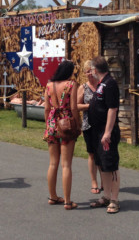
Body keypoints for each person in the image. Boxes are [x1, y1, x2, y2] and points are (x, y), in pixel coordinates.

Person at [43, 60, 80, 210]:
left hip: (52, 123)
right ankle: (67, 201)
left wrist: (48, 124)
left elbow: (46, 108)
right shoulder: (71, 84)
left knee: (53, 163)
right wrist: (77, 125)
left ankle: (52, 196)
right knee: (66, 165)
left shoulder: (49, 85)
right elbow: (74, 107)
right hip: (66, 124)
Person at [87, 56, 121, 214]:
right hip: (96, 130)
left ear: (95, 70)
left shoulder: (110, 83)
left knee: (111, 165)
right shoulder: (101, 84)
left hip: (107, 131)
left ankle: (114, 199)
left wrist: (107, 132)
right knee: (102, 165)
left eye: (91, 69)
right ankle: (106, 196)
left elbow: (112, 109)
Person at [77, 59, 102, 195]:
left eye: (92, 71)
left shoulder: (101, 85)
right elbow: (76, 105)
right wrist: (90, 106)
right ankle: (94, 182)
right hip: (88, 125)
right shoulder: (83, 88)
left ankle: (105, 181)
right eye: (87, 72)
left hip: (102, 124)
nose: (90, 74)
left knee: (102, 154)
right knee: (92, 154)